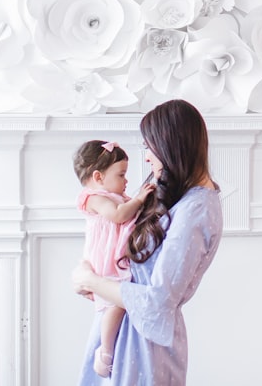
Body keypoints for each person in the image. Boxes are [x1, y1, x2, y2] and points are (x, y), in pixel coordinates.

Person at [72, 99, 223, 385]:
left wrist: (92, 280)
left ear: (171, 145)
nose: (147, 158)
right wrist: (95, 282)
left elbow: (157, 301)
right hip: (126, 337)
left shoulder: (197, 210)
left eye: (149, 147)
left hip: (143, 348)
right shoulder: (183, 199)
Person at [73, 140, 156, 378]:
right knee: (116, 303)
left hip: (114, 255)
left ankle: (107, 348)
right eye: (121, 174)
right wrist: (139, 199)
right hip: (103, 258)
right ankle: (105, 351)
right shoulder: (93, 197)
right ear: (98, 177)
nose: (126, 181)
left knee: (118, 303)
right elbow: (118, 216)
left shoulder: (113, 195)